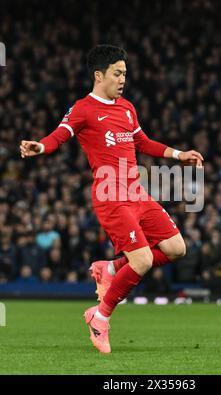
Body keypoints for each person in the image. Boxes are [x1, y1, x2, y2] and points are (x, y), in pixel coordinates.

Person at [20, 44, 204, 354]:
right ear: (99, 75)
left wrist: (178, 154)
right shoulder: (83, 109)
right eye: (117, 74)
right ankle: (100, 317)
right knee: (143, 260)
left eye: (125, 74)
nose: (122, 79)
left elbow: (142, 142)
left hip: (136, 192)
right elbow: (59, 135)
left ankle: (111, 268)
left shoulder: (127, 107)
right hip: (111, 197)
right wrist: (40, 146)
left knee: (176, 248)